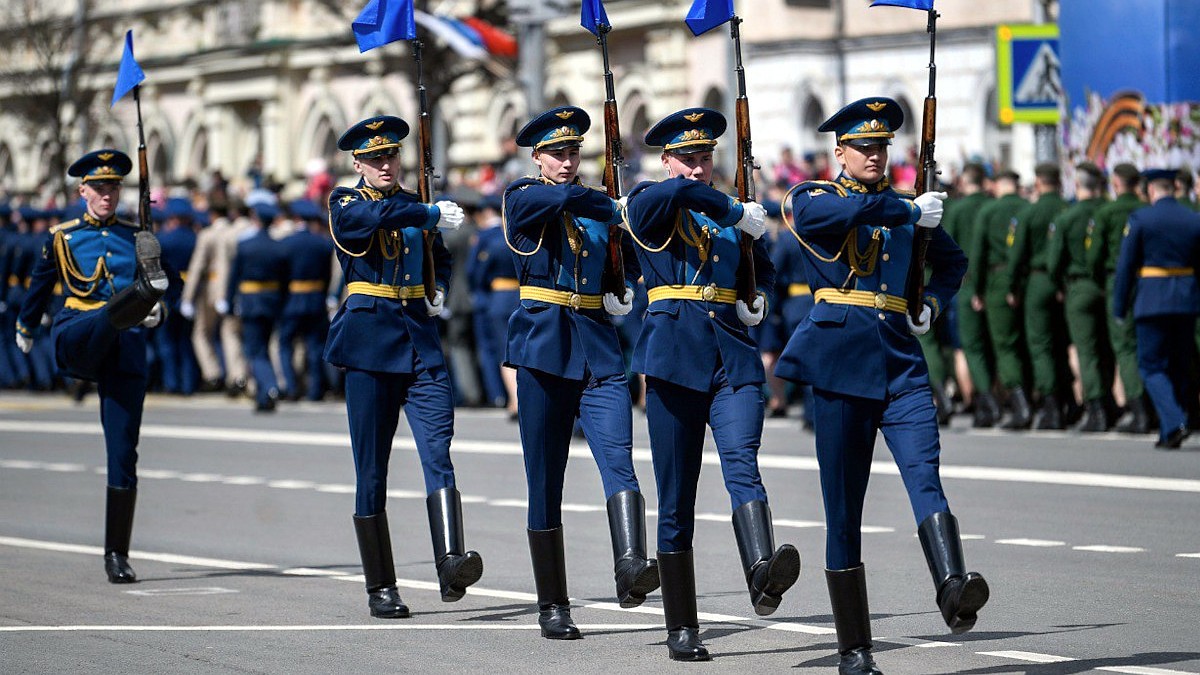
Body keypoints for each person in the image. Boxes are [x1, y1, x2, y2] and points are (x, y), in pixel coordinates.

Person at [774, 98, 987, 675]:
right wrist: (907, 211)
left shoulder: (906, 210)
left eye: (882, 147)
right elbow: (828, 223)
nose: (874, 155)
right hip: (841, 361)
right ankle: (855, 647)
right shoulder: (816, 197)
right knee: (844, 509)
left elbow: (953, 262)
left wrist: (932, 305)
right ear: (838, 152)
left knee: (925, 473)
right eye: (863, 147)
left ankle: (951, 584)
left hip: (900, 358)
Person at [625, 107, 799, 662]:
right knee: (677, 497)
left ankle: (761, 571)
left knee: (742, 461)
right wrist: (733, 208)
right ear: (667, 160)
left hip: (732, 358)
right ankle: (682, 625)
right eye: (689, 159)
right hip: (674, 356)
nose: (699, 168)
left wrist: (757, 298)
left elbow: (764, 269)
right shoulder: (650, 201)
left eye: (706, 159)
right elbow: (665, 202)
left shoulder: (733, 214)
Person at [502, 106, 659, 640]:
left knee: (620, 459)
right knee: (546, 480)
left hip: (597, 345)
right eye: (558, 153)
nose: (568, 162)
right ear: (537, 157)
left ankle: (631, 566)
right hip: (544, 345)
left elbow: (633, 256)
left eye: (574, 152)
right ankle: (554, 604)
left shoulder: (597, 207)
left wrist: (623, 281)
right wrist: (612, 203)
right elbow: (567, 200)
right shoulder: (523, 195)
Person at [324, 115, 482, 618]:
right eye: (373, 158)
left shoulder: (417, 204)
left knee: (439, 450)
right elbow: (366, 225)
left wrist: (437, 289)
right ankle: (381, 587)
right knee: (372, 469)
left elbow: (439, 255)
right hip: (369, 342)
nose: (384, 164)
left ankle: (450, 561)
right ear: (358, 164)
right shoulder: (344, 203)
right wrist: (427, 213)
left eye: (390, 156)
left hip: (418, 337)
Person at [14, 149, 168, 582]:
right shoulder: (62, 236)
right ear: (82, 191)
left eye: (114, 186)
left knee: (124, 453)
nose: (107, 194)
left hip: (125, 346)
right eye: (99, 187)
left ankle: (116, 554)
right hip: (78, 331)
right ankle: (126, 309)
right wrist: (25, 326)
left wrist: (158, 308)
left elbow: (166, 290)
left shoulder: (139, 235)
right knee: (107, 316)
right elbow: (39, 287)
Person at [1112, 168, 1200, 449]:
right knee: (1178, 365)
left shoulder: (1141, 218)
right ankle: (1168, 431)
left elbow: (1126, 266)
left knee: (1151, 365)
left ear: (1151, 190)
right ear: (1174, 187)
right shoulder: (1192, 219)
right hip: (1186, 299)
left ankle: (1174, 421)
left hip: (1152, 298)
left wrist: (1119, 305)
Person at [1046, 162, 1113, 431]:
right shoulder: (1106, 211)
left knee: (1087, 351)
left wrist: (1060, 285)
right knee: (1110, 348)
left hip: (1078, 286)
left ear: (1078, 185)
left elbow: (1054, 262)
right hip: (1107, 285)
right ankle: (1114, 403)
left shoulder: (1067, 217)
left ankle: (1097, 408)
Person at [1007, 163, 1072, 429]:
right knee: (1062, 344)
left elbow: (1017, 254)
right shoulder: (1068, 208)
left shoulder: (1030, 212)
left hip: (1037, 281)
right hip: (1065, 283)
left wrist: (1013, 288)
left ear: (1038, 182)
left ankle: (1051, 406)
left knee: (1040, 345)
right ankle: (1070, 401)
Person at [969, 170, 1031, 428]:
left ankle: (1020, 406)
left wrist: (977, 290)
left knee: (1005, 346)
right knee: (1030, 345)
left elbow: (979, 254)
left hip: (998, 281)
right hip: (1029, 280)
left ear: (997, 185)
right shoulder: (1029, 207)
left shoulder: (989, 211)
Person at [1091, 164, 1150, 432]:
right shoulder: (1147, 210)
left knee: (1125, 346)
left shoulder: (1106, 212)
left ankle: (1139, 410)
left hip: (1118, 279)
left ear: (1116, 183)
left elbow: (1095, 255)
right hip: (1150, 279)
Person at [941, 163, 1000, 427]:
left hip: (966, 285)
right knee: (996, 345)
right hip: (996, 283)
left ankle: (984, 402)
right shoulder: (994, 206)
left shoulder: (958, 208)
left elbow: (946, 246)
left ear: (964, 182)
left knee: (968, 348)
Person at [222, 202, 287, 412]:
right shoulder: (279, 247)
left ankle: (269, 387)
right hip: (272, 301)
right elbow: (284, 281)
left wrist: (230, 302)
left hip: (250, 301)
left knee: (254, 350)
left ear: (256, 219)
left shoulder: (245, 245)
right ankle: (262, 397)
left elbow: (234, 277)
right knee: (264, 347)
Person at [278, 199, 334, 401]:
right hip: (316, 298)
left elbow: (281, 276)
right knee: (315, 345)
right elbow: (328, 276)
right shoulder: (323, 243)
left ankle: (291, 387)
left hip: (292, 299)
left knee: (285, 344)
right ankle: (315, 390)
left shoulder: (286, 243)